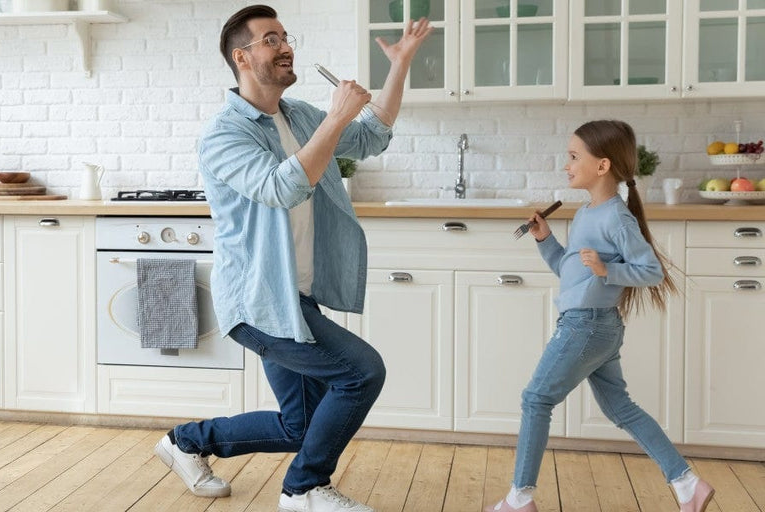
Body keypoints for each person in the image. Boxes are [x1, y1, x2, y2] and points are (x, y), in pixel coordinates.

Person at [153, 5, 431, 512]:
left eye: (285, 37)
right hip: (258, 301)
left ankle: (186, 442)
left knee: (300, 425)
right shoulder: (224, 133)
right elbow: (279, 188)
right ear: (241, 57)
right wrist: (338, 117)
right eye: (270, 39)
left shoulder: (299, 115)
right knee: (361, 372)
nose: (285, 47)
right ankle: (303, 488)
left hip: (294, 296)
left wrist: (400, 64)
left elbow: (372, 136)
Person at [484, 120, 714, 512]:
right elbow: (571, 271)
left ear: (602, 166)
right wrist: (545, 239)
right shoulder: (587, 213)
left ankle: (519, 499)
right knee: (619, 407)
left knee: (536, 399)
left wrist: (609, 270)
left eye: (574, 157)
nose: (566, 165)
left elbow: (651, 271)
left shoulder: (616, 218)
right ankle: (687, 483)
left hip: (586, 327)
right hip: (595, 326)